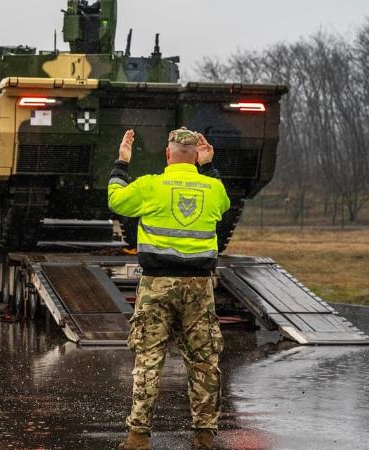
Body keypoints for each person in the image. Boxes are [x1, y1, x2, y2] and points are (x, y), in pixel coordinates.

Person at [109, 128, 230, 450]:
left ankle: (138, 436)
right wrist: (208, 168)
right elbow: (222, 205)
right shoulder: (213, 188)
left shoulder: (151, 185)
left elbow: (116, 201)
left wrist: (122, 163)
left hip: (157, 286)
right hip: (199, 287)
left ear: (168, 154)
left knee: (149, 359)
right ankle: (204, 434)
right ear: (197, 155)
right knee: (203, 361)